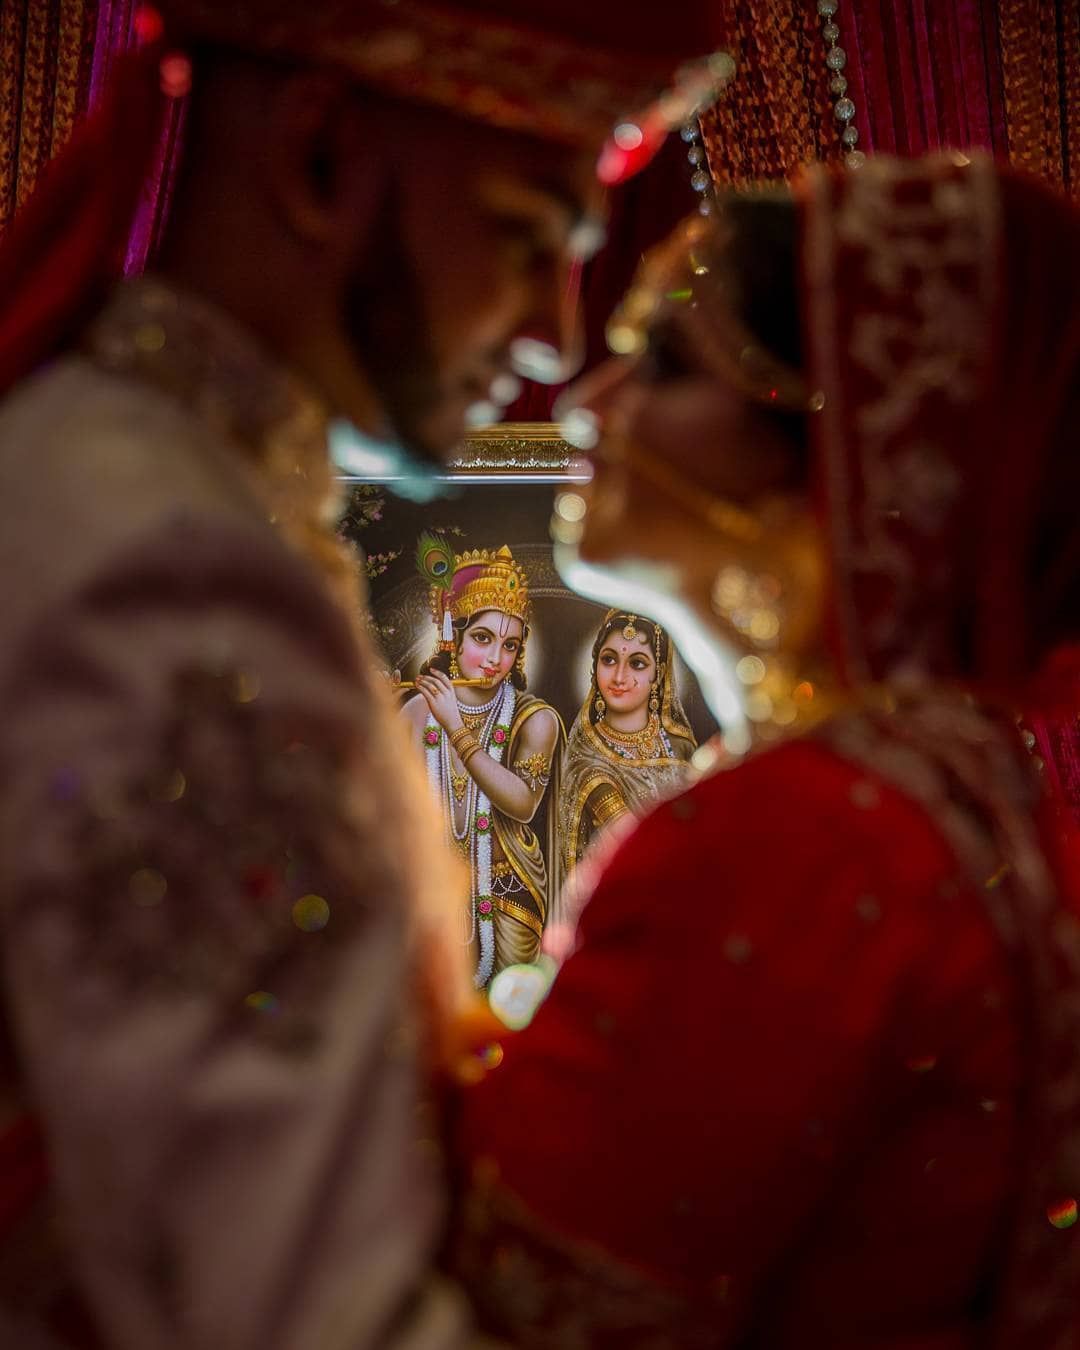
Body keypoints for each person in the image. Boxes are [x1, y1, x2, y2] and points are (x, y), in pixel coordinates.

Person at [0, 3, 734, 1347]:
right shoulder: (164, 566)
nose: (553, 335)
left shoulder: (168, 490)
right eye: (526, 236)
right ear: (320, 155)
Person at [450, 155, 1080, 1348]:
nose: (587, 404)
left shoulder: (795, 839)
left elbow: (520, 1312)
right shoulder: (962, 787)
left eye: (669, 367)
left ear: (843, 454)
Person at [405, 542, 563, 988]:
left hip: (509, 896)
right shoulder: (416, 711)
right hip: (431, 892)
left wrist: (456, 727)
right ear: (453, 638)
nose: (495, 659)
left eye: (510, 645)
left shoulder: (536, 720)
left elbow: (523, 803)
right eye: (482, 638)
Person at [559, 609, 695, 876]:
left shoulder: (680, 746)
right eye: (609, 660)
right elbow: (632, 839)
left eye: (637, 664)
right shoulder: (589, 761)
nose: (619, 677)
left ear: (660, 673)